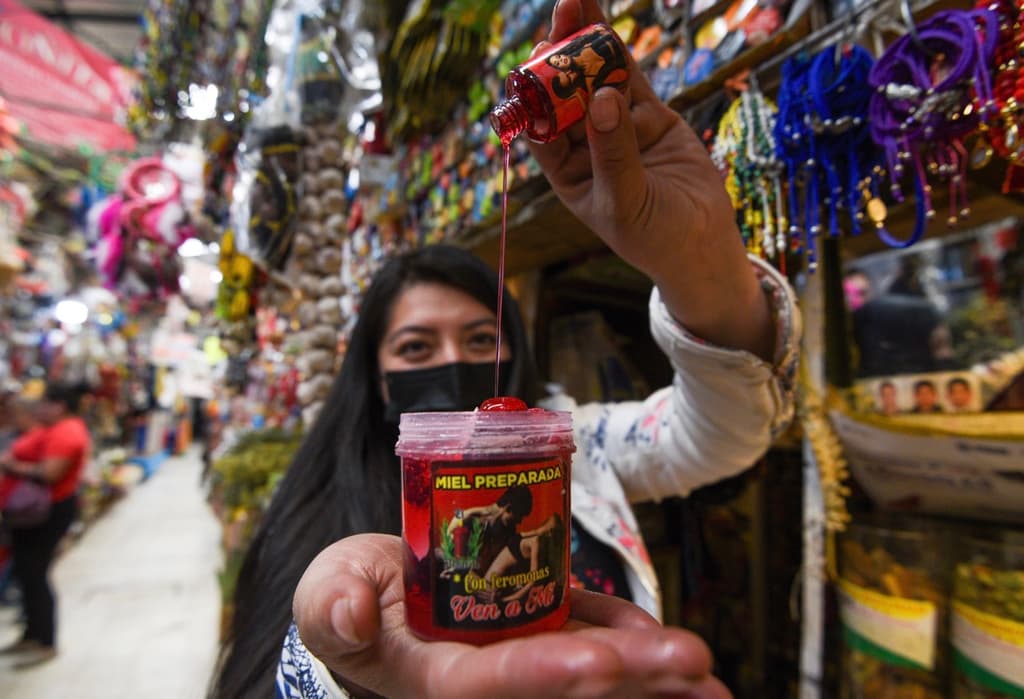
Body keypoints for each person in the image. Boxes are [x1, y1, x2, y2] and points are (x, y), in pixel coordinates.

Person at [212, 2, 801, 697]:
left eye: (480, 338)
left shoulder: (577, 447)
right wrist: (353, 666)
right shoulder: (318, 501)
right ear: (373, 374)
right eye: (416, 345)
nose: (453, 360)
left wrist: (699, 262)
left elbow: (729, 433)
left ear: (512, 349)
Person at [0, 383, 91, 667]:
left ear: (58, 406)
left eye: (44, 403)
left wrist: (11, 465)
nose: (39, 409)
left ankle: (45, 640)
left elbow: (51, 473)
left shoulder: (67, 432)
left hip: (46, 510)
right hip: (36, 511)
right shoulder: (57, 429)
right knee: (27, 572)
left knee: (35, 572)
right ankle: (33, 634)